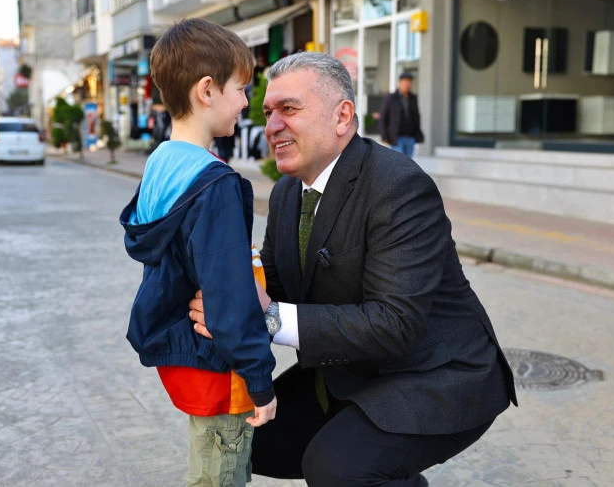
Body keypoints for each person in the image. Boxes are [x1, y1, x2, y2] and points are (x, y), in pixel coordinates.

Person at [189, 52, 518, 486]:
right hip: (349, 371)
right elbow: (274, 281)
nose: (271, 126)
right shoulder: (287, 193)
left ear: (342, 116)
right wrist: (219, 291)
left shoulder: (398, 186)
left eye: (289, 109)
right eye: (268, 113)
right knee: (247, 436)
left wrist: (265, 317)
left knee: (336, 468)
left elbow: (394, 323)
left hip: (436, 375)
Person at [119, 18, 277, 487]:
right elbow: (228, 294)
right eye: (240, 89)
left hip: (187, 358)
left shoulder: (162, 161)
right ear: (207, 90)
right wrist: (261, 381)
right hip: (222, 371)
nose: (246, 102)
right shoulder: (215, 184)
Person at [378, 72, 424, 158]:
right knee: (399, 162)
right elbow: (383, 118)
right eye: (406, 82)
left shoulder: (413, 98)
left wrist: (417, 134)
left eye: (410, 82)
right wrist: (384, 136)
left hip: (410, 138)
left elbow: (416, 116)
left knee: (409, 163)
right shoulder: (390, 98)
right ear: (400, 83)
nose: (408, 84)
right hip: (397, 137)